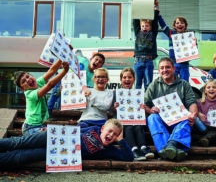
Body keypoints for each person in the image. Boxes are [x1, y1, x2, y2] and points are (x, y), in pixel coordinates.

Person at [0, 119, 134, 166]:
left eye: (115, 134)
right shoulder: (93, 128)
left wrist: (121, 140)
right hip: (54, 137)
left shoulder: (110, 150)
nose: (111, 135)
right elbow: (74, 129)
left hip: (57, 153)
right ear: (103, 129)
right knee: (20, 142)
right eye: (110, 131)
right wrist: (53, 129)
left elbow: (128, 158)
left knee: (24, 156)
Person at [145, 57, 198, 161]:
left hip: (179, 121)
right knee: (152, 118)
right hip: (162, 122)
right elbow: (144, 105)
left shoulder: (184, 84)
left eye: (168, 67)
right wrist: (150, 110)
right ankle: (174, 150)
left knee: (188, 119)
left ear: (174, 68)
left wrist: (193, 114)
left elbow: (192, 102)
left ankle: (167, 148)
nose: (165, 70)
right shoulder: (153, 85)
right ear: (159, 70)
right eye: (162, 68)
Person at [14, 60, 69, 136]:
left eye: (27, 76)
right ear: (22, 89)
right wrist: (64, 71)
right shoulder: (29, 94)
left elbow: (51, 70)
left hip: (39, 125)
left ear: (32, 76)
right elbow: (50, 85)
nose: (27, 80)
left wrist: (62, 57)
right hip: (30, 128)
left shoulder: (38, 83)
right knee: (53, 136)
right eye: (23, 81)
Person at [47, 52, 105, 120]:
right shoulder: (83, 60)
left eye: (100, 62)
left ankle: (60, 113)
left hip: (71, 86)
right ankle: (48, 112)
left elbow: (87, 88)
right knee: (56, 92)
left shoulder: (93, 76)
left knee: (63, 96)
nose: (97, 62)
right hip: (62, 76)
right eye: (96, 59)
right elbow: (70, 55)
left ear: (100, 66)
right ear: (91, 59)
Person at [113, 67, 154, 161]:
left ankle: (143, 147)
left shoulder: (138, 94)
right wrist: (115, 107)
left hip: (136, 121)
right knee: (129, 127)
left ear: (134, 79)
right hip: (122, 123)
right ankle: (134, 149)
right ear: (121, 79)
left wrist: (143, 108)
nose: (127, 79)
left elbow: (144, 111)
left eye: (130, 77)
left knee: (138, 127)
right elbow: (112, 111)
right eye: (124, 77)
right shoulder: (116, 93)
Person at [158, 6, 194, 81]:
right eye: (177, 23)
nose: (180, 24)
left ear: (185, 26)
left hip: (184, 64)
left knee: (184, 82)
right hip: (173, 63)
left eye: (182, 23)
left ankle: (183, 93)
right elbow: (163, 26)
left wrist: (194, 43)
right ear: (174, 26)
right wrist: (158, 16)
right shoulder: (171, 34)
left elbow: (192, 51)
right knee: (172, 82)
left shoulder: (189, 36)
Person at [133, 0, 159, 90]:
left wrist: (156, 8)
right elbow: (135, 21)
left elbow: (155, 22)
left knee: (148, 84)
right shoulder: (137, 33)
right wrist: (135, 8)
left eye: (147, 26)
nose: (144, 27)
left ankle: (147, 102)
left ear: (151, 28)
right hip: (138, 60)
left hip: (148, 61)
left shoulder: (153, 33)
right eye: (143, 26)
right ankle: (138, 102)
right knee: (138, 85)